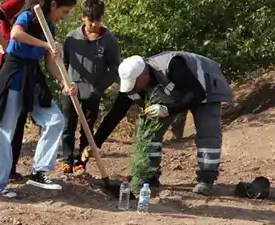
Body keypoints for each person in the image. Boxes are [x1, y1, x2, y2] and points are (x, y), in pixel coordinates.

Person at [0, 0, 78, 198]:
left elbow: (51, 64)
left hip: (33, 78)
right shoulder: (27, 16)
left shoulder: (50, 28)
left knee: (55, 120)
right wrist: (46, 45)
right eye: (64, 11)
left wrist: (65, 82)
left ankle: (39, 171)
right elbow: (16, 34)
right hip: (14, 74)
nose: (63, 17)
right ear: (53, 5)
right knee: (5, 130)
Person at [94, 52, 233, 195]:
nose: (132, 88)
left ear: (144, 74)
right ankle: (149, 176)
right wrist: (96, 142)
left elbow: (196, 93)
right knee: (149, 129)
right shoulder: (134, 85)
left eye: (134, 83)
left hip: (205, 86)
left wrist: (168, 109)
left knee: (208, 131)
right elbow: (116, 113)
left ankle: (206, 179)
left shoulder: (173, 66)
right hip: (178, 93)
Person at [0, 0, 58, 183]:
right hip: (11, 66)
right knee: (8, 123)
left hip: (26, 67)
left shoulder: (40, 13)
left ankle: (6, 170)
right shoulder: (19, 2)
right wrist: (5, 45)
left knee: (18, 120)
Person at [57, 0, 121, 174]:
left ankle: (81, 162)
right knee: (68, 125)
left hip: (92, 91)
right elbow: (64, 63)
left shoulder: (109, 40)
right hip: (71, 89)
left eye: (98, 20)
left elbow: (114, 68)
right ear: (83, 18)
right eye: (90, 20)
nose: (94, 24)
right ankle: (67, 160)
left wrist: (98, 88)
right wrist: (64, 83)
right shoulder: (72, 38)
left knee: (87, 127)